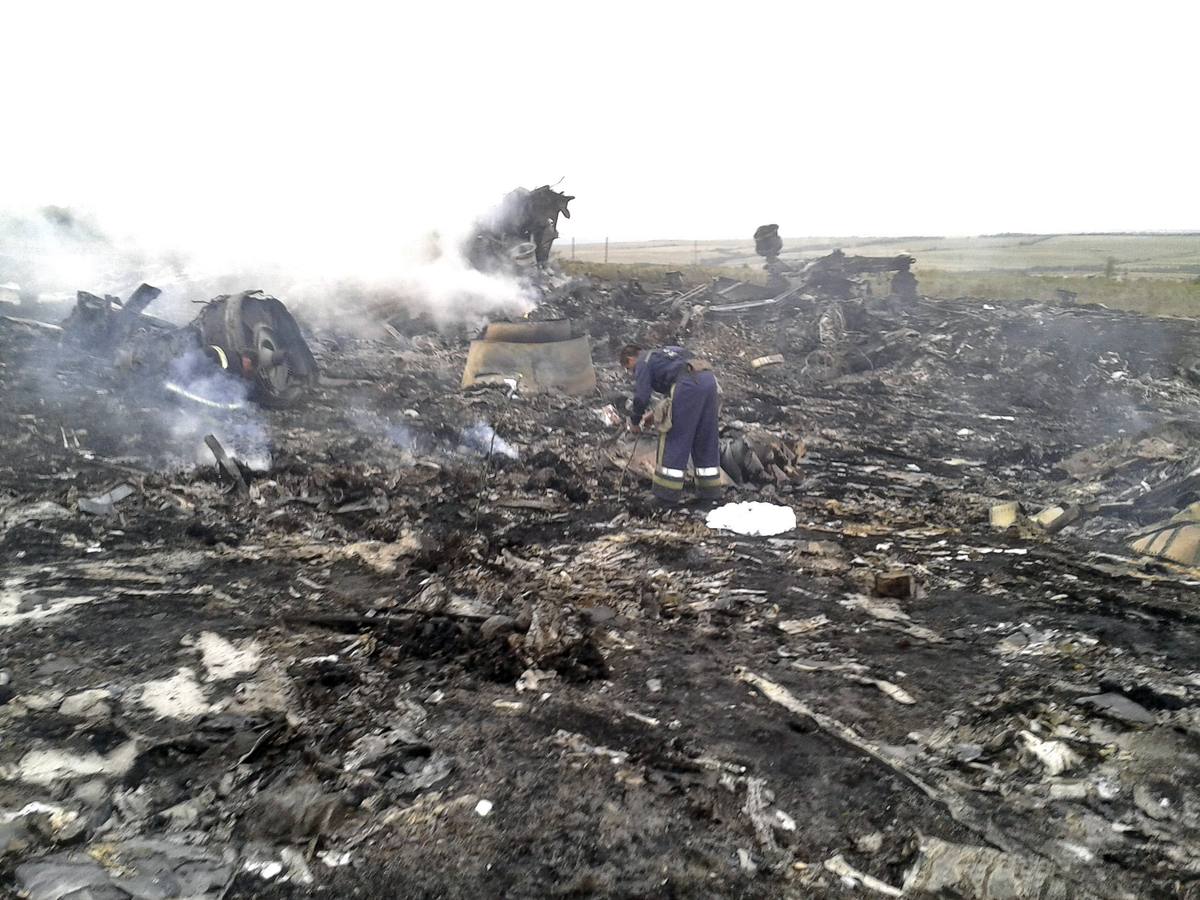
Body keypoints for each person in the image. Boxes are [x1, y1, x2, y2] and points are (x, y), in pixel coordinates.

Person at [620, 343, 722, 505]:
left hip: (688, 385)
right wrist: (654, 414)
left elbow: (641, 396)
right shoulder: (665, 353)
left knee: (674, 435)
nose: (632, 373)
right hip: (708, 380)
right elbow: (677, 380)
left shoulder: (642, 362)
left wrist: (634, 421)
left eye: (629, 368)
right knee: (704, 435)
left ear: (630, 358)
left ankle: (665, 494)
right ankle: (710, 491)